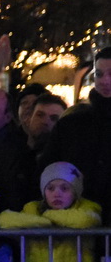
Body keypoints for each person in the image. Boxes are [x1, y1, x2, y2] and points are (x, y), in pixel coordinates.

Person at [38, 48, 111, 208]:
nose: (105, 81)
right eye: (99, 74)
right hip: (76, 217)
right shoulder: (71, 124)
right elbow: (48, 168)